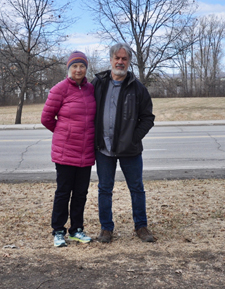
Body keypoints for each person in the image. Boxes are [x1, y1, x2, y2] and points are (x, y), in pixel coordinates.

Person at [92, 43, 156, 243]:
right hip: (104, 148)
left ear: (129, 62)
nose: (120, 62)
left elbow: (148, 118)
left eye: (124, 59)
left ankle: (141, 226)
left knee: (136, 188)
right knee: (104, 189)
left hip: (130, 150)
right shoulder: (98, 84)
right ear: (111, 60)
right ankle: (106, 228)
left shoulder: (138, 88)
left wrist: (133, 138)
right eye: (117, 58)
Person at [41, 51, 96, 247]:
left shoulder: (91, 89)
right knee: (63, 192)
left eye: (82, 66)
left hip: (86, 151)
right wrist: (64, 133)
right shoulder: (59, 89)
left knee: (81, 193)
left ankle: (76, 230)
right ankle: (58, 231)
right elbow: (46, 118)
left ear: (86, 68)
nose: (78, 69)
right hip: (65, 152)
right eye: (75, 66)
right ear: (69, 69)